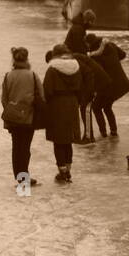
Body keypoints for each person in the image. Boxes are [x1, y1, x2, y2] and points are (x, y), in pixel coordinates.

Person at [0, 47, 43, 186]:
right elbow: (41, 96)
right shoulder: (32, 75)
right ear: (27, 58)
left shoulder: (8, 75)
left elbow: (4, 99)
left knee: (16, 146)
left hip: (12, 117)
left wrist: (11, 109)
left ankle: (19, 176)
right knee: (25, 148)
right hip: (28, 117)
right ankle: (24, 178)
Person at [43, 43, 83, 186]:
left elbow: (47, 90)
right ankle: (68, 168)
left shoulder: (52, 69)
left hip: (57, 104)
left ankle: (62, 171)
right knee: (68, 139)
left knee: (58, 139)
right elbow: (81, 86)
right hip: (72, 104)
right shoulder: (76, 67)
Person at [87, 34, 129, 138]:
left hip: (107, 84)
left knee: (96, 107)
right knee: (107, 107)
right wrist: (114, 63)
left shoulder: (94, 55)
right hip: (120, 83)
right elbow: (123, 54)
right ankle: (113, 131)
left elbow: (97, 73)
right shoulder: (110, 44)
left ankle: (103, 133)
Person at [71, 49, 110, 144]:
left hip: (98, 84)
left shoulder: (73, 60)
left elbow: (88, 73)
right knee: (87, 108)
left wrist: (89, 92)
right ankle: (91, 134)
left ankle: (89, 136)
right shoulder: (73, 57)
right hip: (98, 82)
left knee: (85, 109)